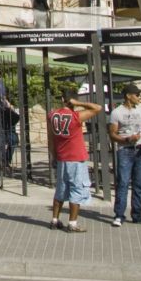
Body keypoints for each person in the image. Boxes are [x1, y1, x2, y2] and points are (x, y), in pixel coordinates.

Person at [48, 88, 101, 232]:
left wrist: (54, 156)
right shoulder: (75, 116)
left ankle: (55, 219)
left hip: (61, 157)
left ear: (62, 99)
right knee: (77, 189)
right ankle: (72, 223)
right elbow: (98, 108)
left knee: (61, 189)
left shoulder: (52, 115)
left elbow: (51, 139)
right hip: (76, 158)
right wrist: (78, 103)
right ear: (72, 100)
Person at [109, 83, 141, 227]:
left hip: (140, 150)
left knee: (139, 183)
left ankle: (138, 215)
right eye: (137, 95)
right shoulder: (117, 112)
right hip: (125, 150)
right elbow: (112, 134)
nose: (139, 97)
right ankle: (119, 215)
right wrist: (127, 139)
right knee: (122, 182)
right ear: (128, 96)